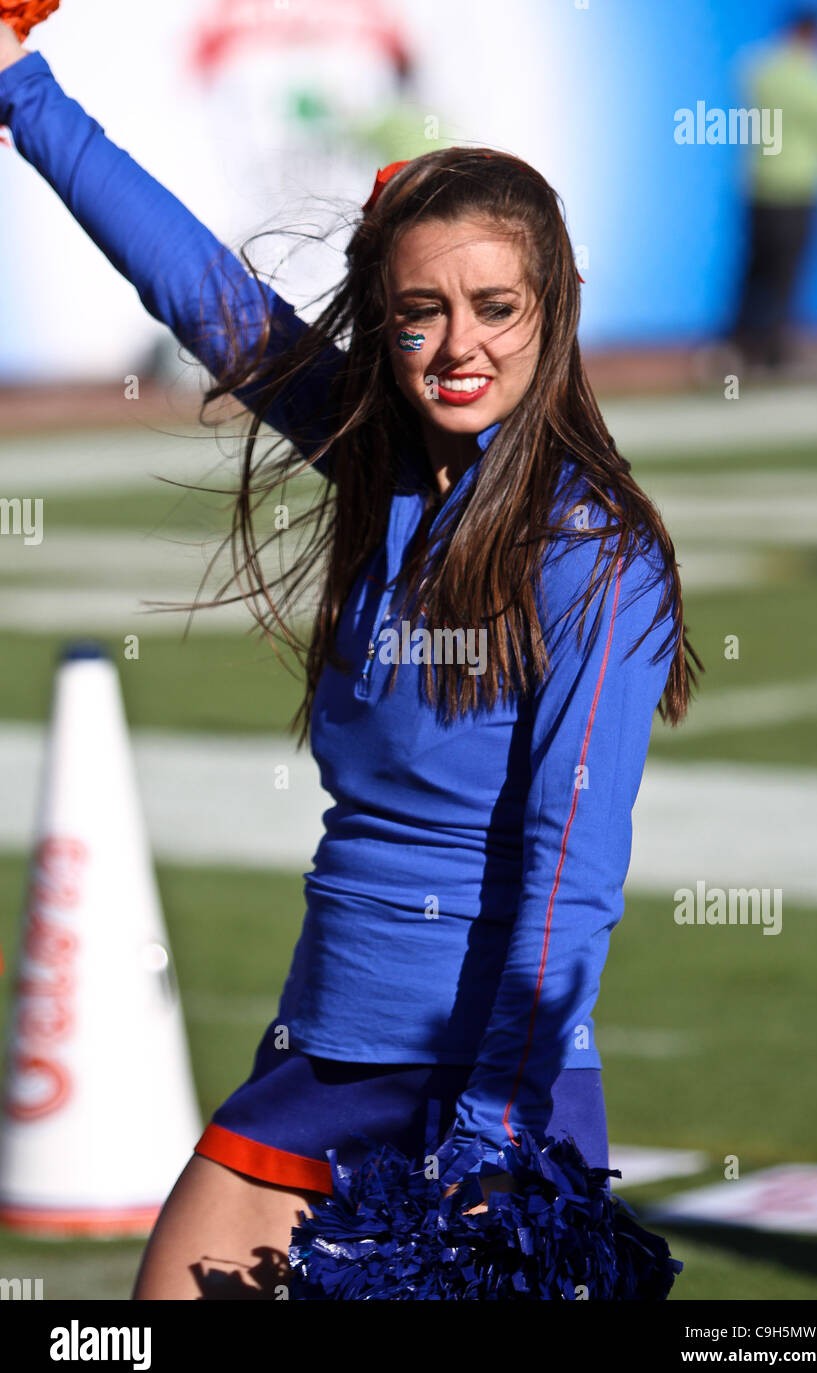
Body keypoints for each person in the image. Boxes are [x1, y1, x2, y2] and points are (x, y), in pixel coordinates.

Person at [0, 26, 701, 1300]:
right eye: (419, 314)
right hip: (319, 1051)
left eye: (496, 309)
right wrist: (18, 86)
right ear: (382, 322)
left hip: (485, 1086)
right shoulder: (375, 460)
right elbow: (201, 293)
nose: (457, 348)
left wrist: (490, 1133)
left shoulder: (594, 557)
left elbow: (568, 866)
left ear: (554, 313)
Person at [729, 7, 817, 371]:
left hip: (759, 185)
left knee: (753, 268)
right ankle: (774, 354)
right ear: (813, 35)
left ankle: (734, 350)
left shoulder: (759, 68)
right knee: (788, 273)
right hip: (801, 189)